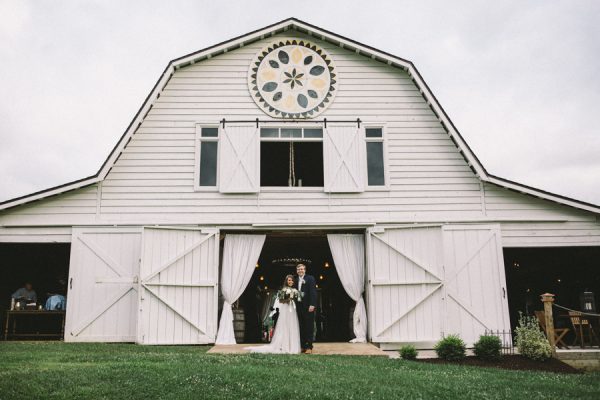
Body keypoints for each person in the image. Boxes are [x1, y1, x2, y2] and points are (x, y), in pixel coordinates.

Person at [245, 275, 301, 354]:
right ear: (286, 281)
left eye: (291, 280)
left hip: (292, 310)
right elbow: (281, 301)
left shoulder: (295, 290)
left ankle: (292, 345)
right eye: (289, 280)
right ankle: (283, 345)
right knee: (284, 326)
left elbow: (298, 299)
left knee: (292, 325)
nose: (290, 281)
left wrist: (295, 296)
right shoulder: (284, 289)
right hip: (286, 309)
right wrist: (288, 299)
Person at [296, 263, 317, 354]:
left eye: (302, 269)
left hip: (308, 306)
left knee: (309, 327)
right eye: (299, 269)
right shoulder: (295, 280)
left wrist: (312, 304)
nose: (300, 270)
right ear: (297, 271)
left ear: (305, 270)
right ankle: (302, 346)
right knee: (301, 327)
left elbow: (313, 292)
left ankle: (309, 346)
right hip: (299, 307)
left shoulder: (310, 278)